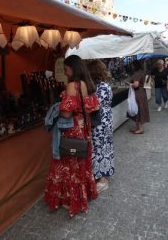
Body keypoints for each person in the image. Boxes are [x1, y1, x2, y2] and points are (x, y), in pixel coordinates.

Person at [44, 55, 99, 217]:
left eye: (66, 68)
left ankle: (69, 200)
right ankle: (83, 195)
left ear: (73, 68)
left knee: (67, 164)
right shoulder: (87, 84)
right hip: (84, 130)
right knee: (81, 163)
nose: (64, 71)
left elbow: (67, 113)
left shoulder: (72, 85)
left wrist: (57, 108)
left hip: (72, 129)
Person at [87, 60, 115, 193]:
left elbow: (95, 104)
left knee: (101, 148)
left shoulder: (101, 87)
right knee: (102, 147)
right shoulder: (103, 85)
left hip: (100, 121)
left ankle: (103, 180)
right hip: (105, 120)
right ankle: (99, 175)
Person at [129, 60, 150, 134]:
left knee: (138, 110)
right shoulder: (142, 72)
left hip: (138, 93)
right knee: (139, 109)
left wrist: (129, 84)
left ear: (135, 66)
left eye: (132, 65)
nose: (131, 67)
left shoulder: (137, 74)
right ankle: (138, 127)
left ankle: (141, 128)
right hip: (142, 92)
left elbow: (136, 85)